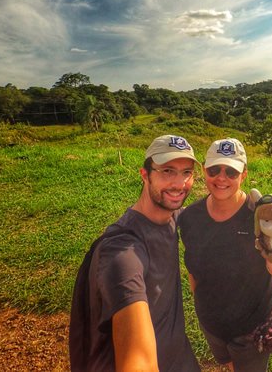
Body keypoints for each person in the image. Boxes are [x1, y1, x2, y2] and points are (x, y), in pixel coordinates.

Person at [69, 134, 201, 372]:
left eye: (186, 172)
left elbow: (215, 210)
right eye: (167, 171)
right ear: (145, 175)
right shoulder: (122, 251)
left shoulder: (174, 216)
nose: (179, 184)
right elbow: (137, 361)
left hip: (180, 359)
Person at [178, 138, 272, 372]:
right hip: (211, 323)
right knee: (228, 363)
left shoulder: (260, 215)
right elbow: (193, 268)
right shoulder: (190, 218)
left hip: (252, 329)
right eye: (214, 170)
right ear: (204, 170)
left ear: (243, 175)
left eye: (231, 172)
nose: (221, 178)